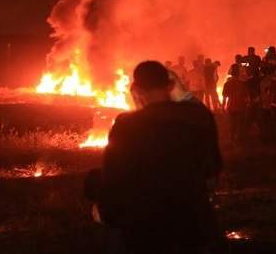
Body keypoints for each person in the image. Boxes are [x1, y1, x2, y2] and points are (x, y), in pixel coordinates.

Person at [95, 61, 223, 254]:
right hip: (193, 221)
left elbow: (113, 178)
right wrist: (183, 94)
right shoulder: (198, 117)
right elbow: (213, 168)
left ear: (136, 90)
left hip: (147, 224)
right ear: (171, 85)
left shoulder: (126, 125)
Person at [223, 69, 250, 145]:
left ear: (231, 74)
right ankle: (240, 139)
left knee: (232, 123)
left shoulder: (227, 84)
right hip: (241, 106)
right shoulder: (242, 84)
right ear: (238, 74)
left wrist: (223, 106)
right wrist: (247, 104)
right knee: (240, 123)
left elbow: (225, 96)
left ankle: (232, 138)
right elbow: (246, 96)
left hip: (231, 106)